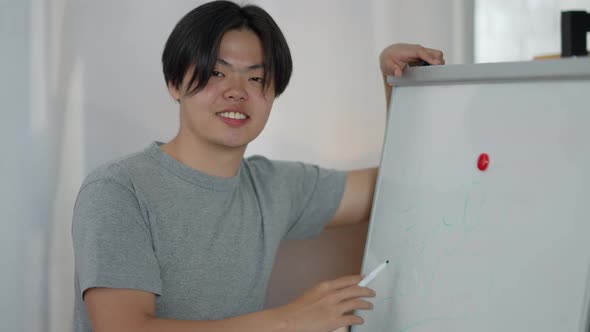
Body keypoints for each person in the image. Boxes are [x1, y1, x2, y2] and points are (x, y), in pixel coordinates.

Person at [71, 1, 445, 331]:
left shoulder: (271, 186)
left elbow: (398, 189)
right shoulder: (119, 189)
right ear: (174, 82)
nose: (237, 90)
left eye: (256, 77)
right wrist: (289, 321)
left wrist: (398, 85)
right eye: (217, 73)